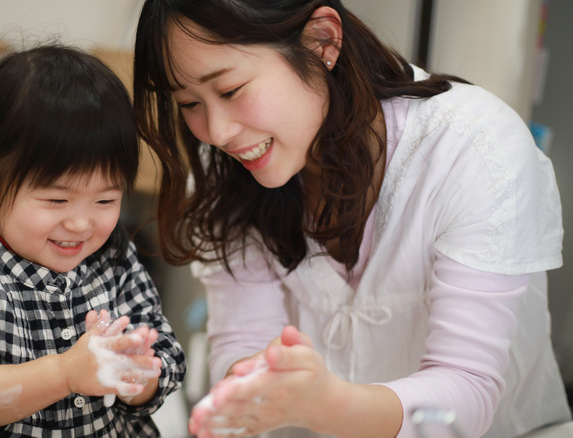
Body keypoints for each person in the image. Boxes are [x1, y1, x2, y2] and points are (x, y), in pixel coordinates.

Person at [132, 1, 571, 437]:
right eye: (189, 103)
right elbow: (243, 343)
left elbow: (469, 391)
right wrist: (250, 386)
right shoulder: (222, 175)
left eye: (230, 91)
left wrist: (330, 405)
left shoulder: (474, 149)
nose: (218, 132)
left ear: (323, 40)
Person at [0, 43, 186, 437]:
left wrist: (134, 372)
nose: (80, 223)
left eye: (106, 199)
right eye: (57, 199)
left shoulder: (115, 258)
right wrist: (65, 372)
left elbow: (168, 360)